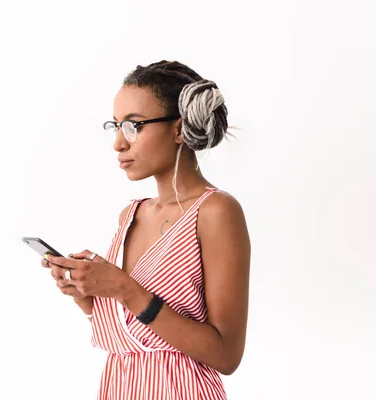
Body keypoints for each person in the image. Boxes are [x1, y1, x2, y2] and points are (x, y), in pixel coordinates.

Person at [41, 60, 251, 400]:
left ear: (179, 129)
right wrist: (88, 295)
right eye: (116, 126)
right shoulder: (131, 214)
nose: (119, 144)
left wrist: (125, 289)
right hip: (121, 385)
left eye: (134, 126)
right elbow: (137, 332)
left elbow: (226, 355)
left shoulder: (215, 211)